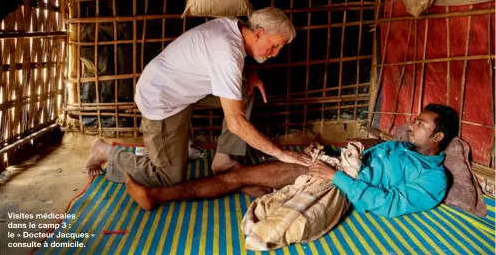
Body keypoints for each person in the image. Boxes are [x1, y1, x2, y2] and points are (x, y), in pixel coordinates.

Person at [85, 7, 311, 189]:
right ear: (259, 33)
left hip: (182, 87)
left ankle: (222, 159)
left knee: (245, 90)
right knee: (168, 178)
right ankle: (105, 152)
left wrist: (249, 74)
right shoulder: (227, 54)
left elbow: (217, 59)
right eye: (273, 46)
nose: (275, 54)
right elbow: (235, 122)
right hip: (162, 100)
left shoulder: (235, 27)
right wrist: (280, 154)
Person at [124, 104, 459, 219]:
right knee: (251, 179)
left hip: (340, 188)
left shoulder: (434, 179)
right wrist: (331, 154)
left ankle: (157, 197)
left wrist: (333, 175)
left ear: (438, 137)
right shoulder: (402, 148)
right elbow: (367, 154)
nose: (411, 125)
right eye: (414, 120)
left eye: (420, 124)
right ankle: (264, 188)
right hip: (335, 169)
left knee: (237, 177)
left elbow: (387, 204)